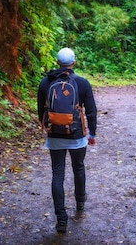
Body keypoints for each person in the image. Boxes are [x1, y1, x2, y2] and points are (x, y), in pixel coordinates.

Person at [37, 47, 97, 234]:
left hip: (55, 136)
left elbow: (42, 110)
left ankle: (61, 219)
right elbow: (91, 110)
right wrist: (92, 133)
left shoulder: (46, 82)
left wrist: (48, 127)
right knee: (78, 167)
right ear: (74, 62)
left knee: (57, 173)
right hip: (77, 135)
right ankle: (80, 202)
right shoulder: (82, 82)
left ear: (57, 62)